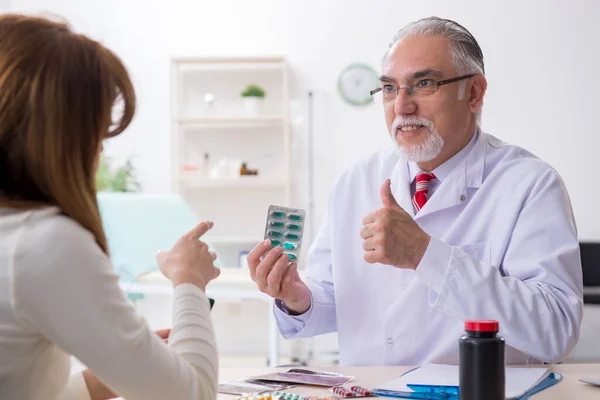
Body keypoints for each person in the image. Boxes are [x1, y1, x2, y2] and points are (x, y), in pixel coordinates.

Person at [248, 16, 583, 366]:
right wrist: (298, 298)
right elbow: (333, 297)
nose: (402, 106)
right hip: (371, 390)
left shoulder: (530, 184)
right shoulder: (355, 181)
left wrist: (427, 255)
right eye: (390, 88)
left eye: (423, 83)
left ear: (473, 93)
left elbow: (556, 329)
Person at [0, 14, 220, 400]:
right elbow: (192, 395)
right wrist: (190, 280)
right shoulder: (44, 242)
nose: (100, 152)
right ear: (63, 137)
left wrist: (96, 381)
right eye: (97, 135)